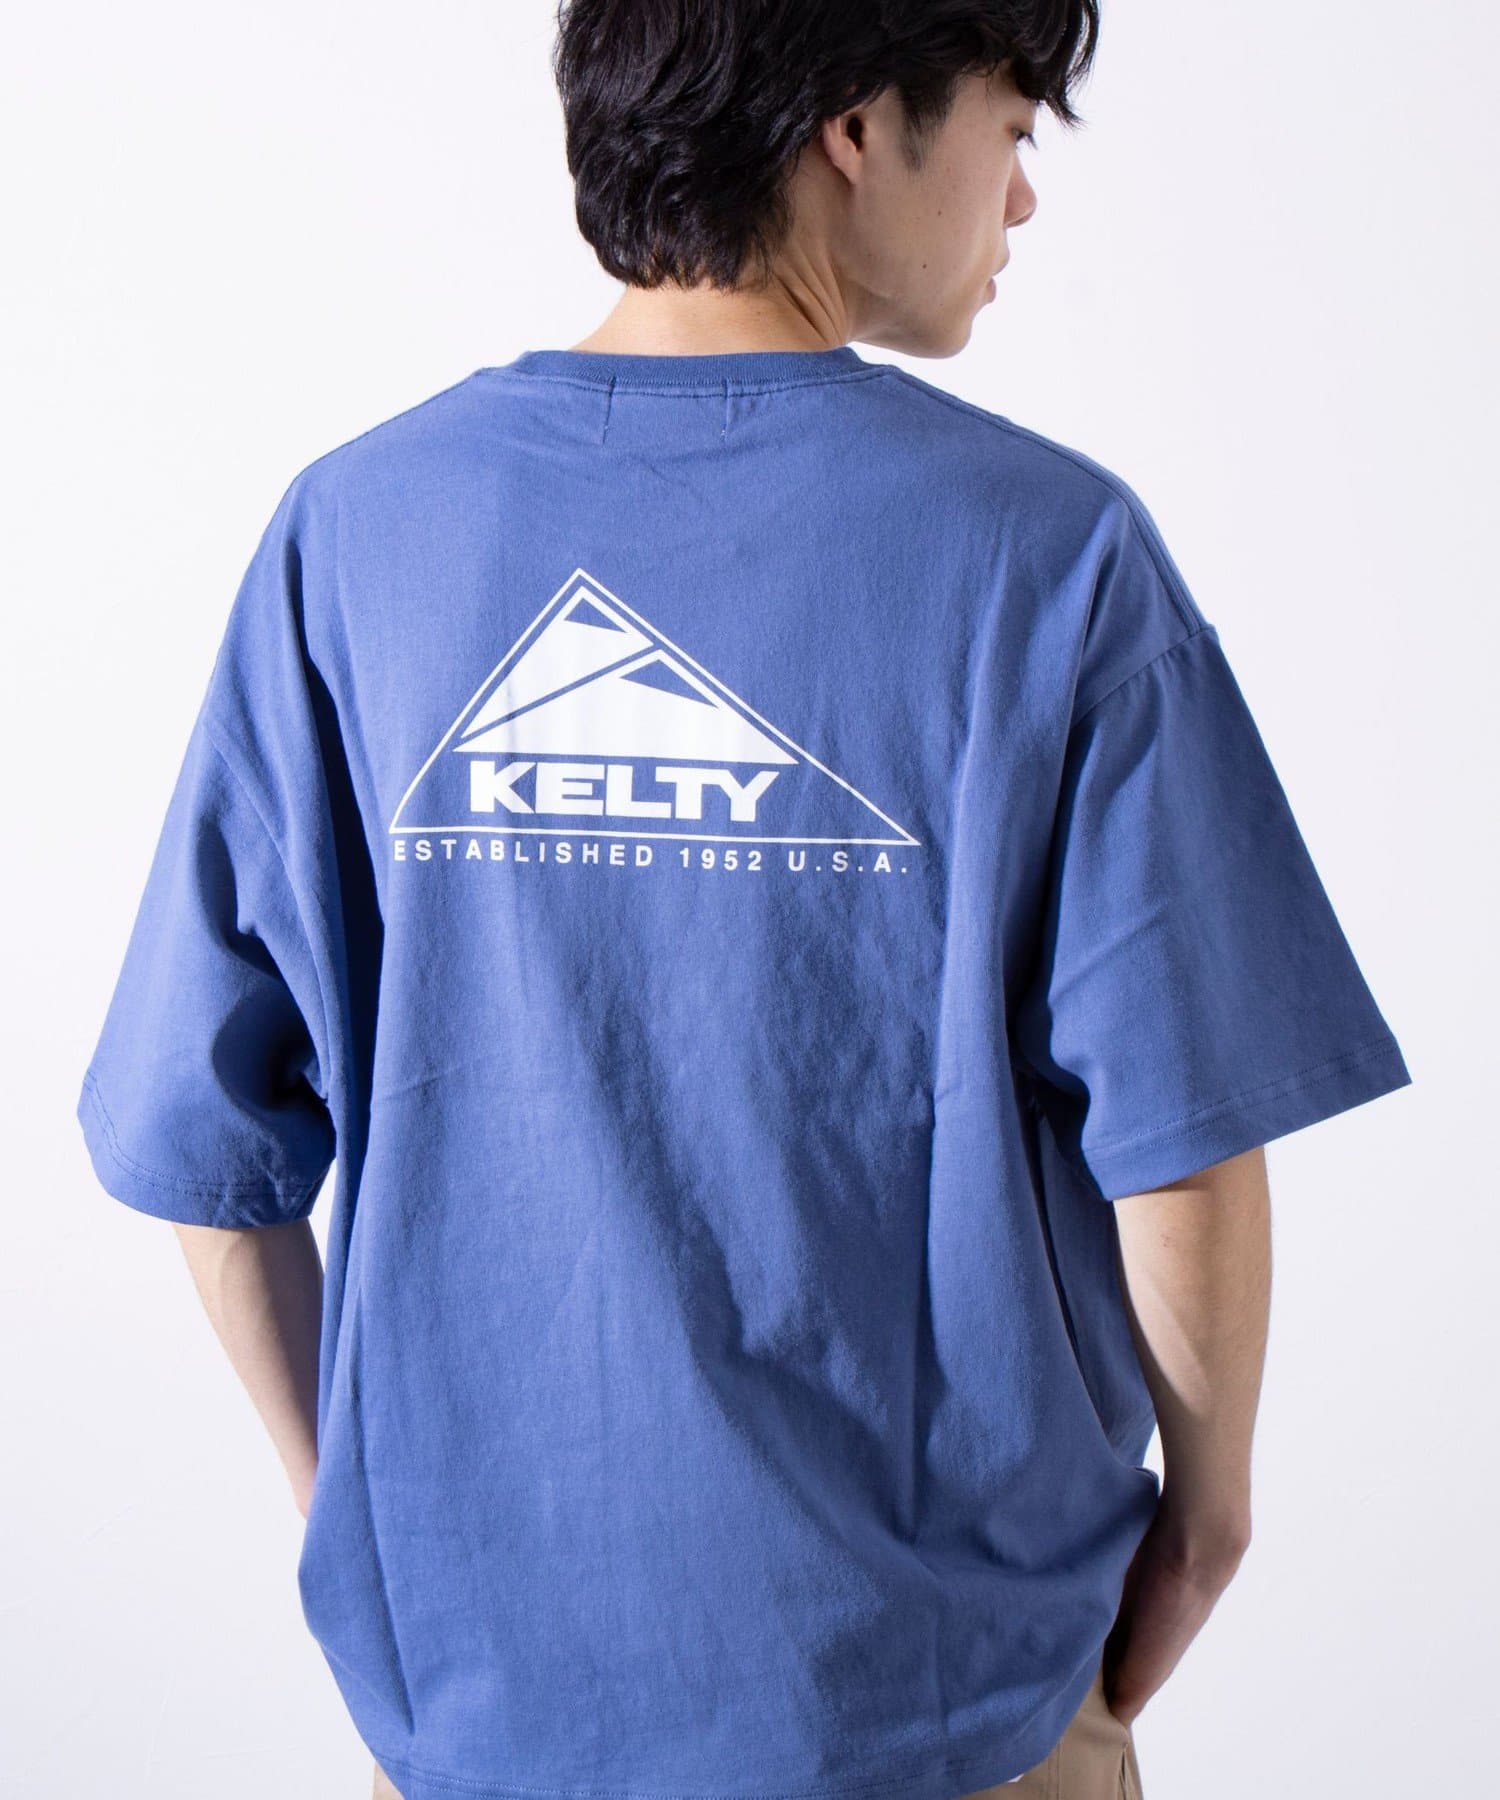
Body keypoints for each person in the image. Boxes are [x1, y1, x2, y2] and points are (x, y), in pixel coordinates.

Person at [77, 5, 1411, 1798]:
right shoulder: (1049, 560)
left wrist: (382, 1535)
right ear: (857, 126)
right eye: (1015, 129)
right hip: (940, 1715)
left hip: (486, 1728)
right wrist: (1211, 1525)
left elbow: (200, 1144)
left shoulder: (355, 539)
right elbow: (1180, 1150)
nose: (1022, 198)